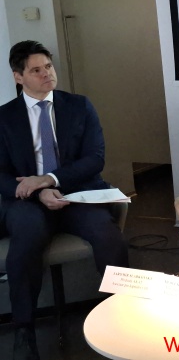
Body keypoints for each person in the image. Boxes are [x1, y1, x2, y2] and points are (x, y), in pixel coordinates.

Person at [0, 40, 129, 360]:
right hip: (27, 201)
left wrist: (50, 180)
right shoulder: (4, 117)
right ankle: (24, 330)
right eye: (36, 70)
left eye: (49, 67)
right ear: (18, 77)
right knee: (27, 234)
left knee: (107, 234)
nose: (47, 74)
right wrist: (37, 190)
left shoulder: (79, 106)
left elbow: (95, 158)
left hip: (75, 193)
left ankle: (124, 313)